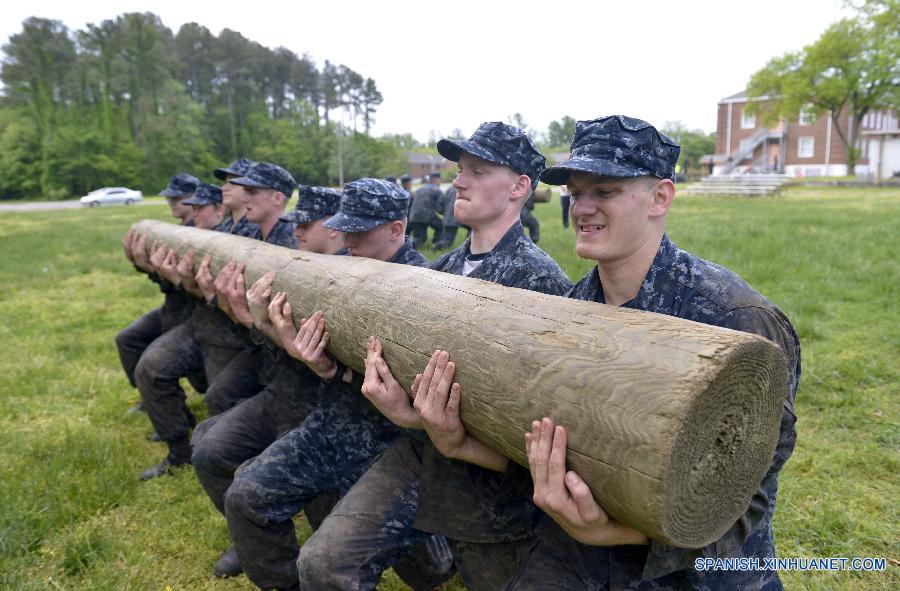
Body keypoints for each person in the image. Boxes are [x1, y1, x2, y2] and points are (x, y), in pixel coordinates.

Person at [508, 115, 801, 589]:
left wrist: (624, 535)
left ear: (660, 197)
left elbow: (751, 489)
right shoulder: (570, 312)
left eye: (604, 191)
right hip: (585, 554)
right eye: (575, 193)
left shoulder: (734, 318)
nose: (582, 208)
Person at [297, 122, 573, 590]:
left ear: (520, 187)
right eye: (460, 170)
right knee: (323, 564)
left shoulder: (541, 286)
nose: (458, 181)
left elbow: (542, 421)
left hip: (494, 489)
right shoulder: (440, 269)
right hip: (421, 455)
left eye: (478, 171)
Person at [220, 179, 453, 590]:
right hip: (333, 424)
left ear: (397, 229)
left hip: (394, 441)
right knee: (247, 496)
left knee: (429, 571)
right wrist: (318, 362)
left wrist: (337, 372)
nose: (348, 239)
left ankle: (441, 554)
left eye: (361, 231)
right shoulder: (336, 270)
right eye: (345, 228)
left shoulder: (425, 287)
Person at [191, 185, 345, 579]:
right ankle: (263, 549)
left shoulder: (348, 277)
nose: (296, 231)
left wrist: (254, 322)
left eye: (307, 224)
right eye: (296, 223)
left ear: (334, 229)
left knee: (325, 508)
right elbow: (276, 352)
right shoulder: (291, 263)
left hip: (330, 408)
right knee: (210, 450)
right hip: (283, 389)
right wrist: (249, 318)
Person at [135, 162, 297, 480]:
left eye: (247, 187)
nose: (230, 188)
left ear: (277, 198)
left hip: (245, 340)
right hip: (217, 328)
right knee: (158, 371)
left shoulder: (283, 239)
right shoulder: (235, 233)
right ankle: (190, 453)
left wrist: (212, 294)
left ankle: (243, 466)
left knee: (224, 399)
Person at [117, 173, 202, 415]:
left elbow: (187, 286)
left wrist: (156, 270)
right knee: (127, 339)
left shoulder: (201, 233)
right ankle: (152, 400)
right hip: (173, 308)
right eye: (170, 199)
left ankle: (165, 404)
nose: (172, 203)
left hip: (190, 314)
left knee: (157, 362)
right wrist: (145, 266)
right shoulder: (180, 232)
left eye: (178, 198)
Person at [213, 157, 259, 237]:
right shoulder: (223, 227)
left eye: (233, 182)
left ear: (250, 187)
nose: (224, 188)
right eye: (225, 182)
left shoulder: (258, 231)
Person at [408, 172, 443, 248]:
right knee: (441, 226)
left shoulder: (419, 189)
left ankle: (408, 248)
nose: (441, 182)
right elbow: (439, 208)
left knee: (419, 238)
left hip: (413, 216)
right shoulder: (437, 190)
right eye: (440, 180)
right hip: (427, 215)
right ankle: (436, 244)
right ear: (435, 180)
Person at [431, 184, 459, 250]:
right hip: (456, 216)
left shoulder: (450, 188)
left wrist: (444, 213)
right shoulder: (466, 186)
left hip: (448, 216)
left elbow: (442, 203)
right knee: (448, 241)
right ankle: (436, 246)